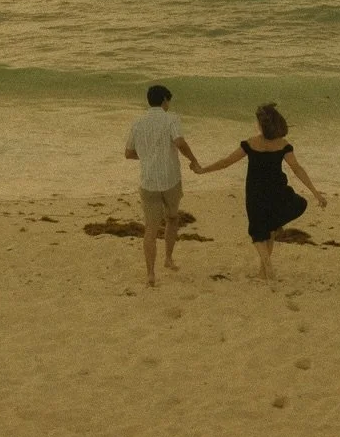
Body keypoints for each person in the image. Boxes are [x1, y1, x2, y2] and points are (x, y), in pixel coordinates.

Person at [193, 102, 327, 281]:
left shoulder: (251, 143)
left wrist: (203, 170)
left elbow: (226, 162)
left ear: (261, 123)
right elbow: (297, 168)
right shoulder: (282, 144)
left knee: (257, 231)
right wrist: (315, 193)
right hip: (277, 190)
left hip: (256, 191)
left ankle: (266, 264)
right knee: (270, 228)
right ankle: (263, 272)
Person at [124, 84, 201, 287]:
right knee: (172, 218)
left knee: (150, 228)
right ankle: (168, 258)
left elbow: (128, 153)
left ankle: (151, 273)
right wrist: (193, 160)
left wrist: (149, 156)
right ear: (165, 100)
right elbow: (180, 142)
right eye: (169, 101)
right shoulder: (171, 119)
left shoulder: (138, 122)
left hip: (148, 181)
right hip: (170, 179)